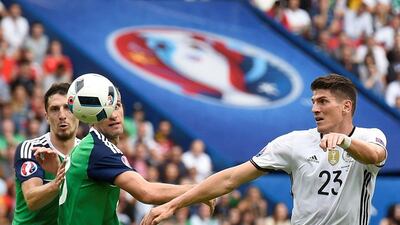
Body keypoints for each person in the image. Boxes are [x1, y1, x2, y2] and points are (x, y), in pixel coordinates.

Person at [141, 74, 387, 225]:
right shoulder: (293, 142)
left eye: (323, 101)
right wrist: (173, 205)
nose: (314, 109)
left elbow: (376, 156)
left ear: (346, 107)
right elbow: (230, 178)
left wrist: (344, 141)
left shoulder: (370, 136)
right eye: (313, 102)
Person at [54, 89, 213, 225]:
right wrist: (197, 191)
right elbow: (146, 192)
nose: (114, 115)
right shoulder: (98, 150)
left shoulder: (91, 146)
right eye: (105, 109)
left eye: (116, 106)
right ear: (92, 116)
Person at [12, 82, 80, 225]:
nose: (62, 115)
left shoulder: (87, 152)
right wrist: (56, 183)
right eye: (55, 109)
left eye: (67, 107)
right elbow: (32, 200)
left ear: (78, 112)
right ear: (47, 116)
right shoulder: (32, 149)